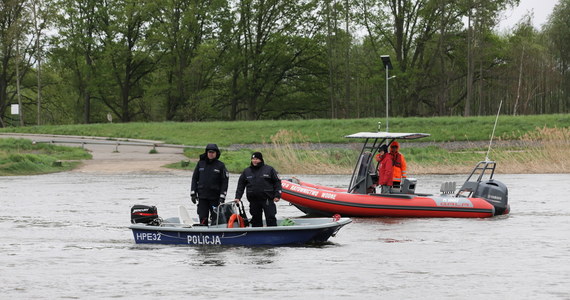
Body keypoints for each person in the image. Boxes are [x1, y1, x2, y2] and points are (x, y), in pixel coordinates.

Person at [234, 152, 282, 227]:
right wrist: (238, 197)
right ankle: (257, 236)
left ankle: (273, 234)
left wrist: (277, 195)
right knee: (255, 219)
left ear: (261, 160)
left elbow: (277, 183)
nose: (254, 161)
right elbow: (241, 185)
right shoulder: (246, 171)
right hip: (254, 200)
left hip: (267, 199)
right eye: (253, 159)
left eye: (256, 159)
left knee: (270, 217)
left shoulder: (269, 169)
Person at [190, 144, 229, 225]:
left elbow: (225, 182)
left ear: (216, 153)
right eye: (209, 152)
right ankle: (203, 235)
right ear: (207, 153)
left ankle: (216, 234)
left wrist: (222, 197)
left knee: (216, 219)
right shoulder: (200, 164)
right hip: (202, 197)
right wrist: (193, 193)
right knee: (203, 218)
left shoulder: (220, 165)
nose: (211, 154)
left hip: (215, 198)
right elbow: (194, 178)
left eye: (213, 152)